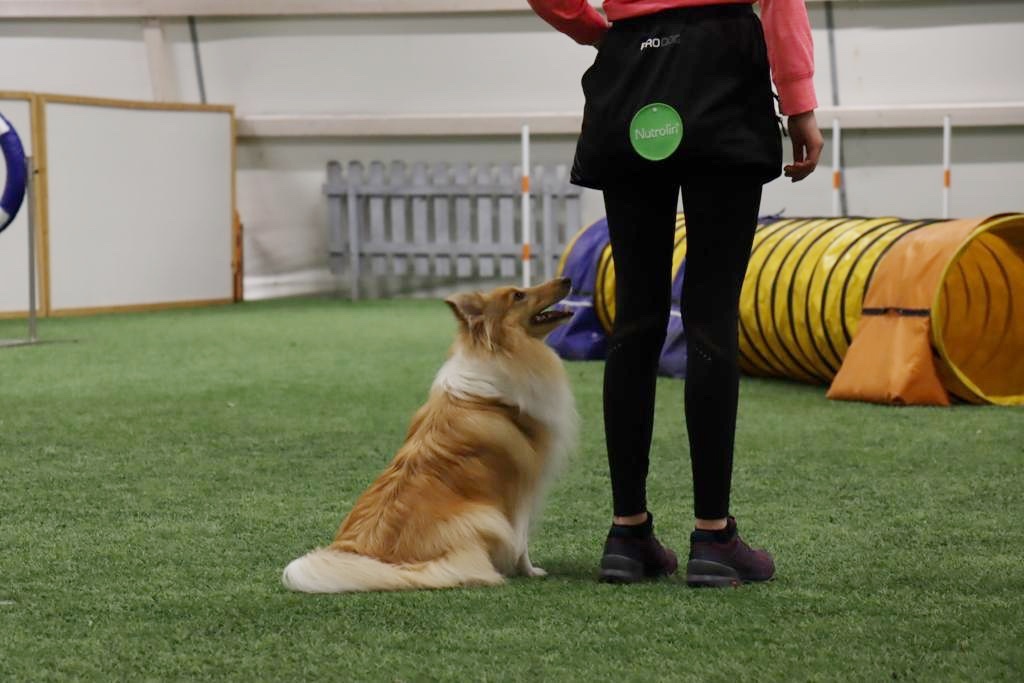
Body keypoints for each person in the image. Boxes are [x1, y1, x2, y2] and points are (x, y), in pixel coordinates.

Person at [526, 0, 823, 586]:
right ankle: (714, 538)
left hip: (630, 70)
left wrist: (595, 30)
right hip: (724, 65)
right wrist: (800, 105)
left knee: (635, 317)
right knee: (711, 314)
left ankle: (627, 534)